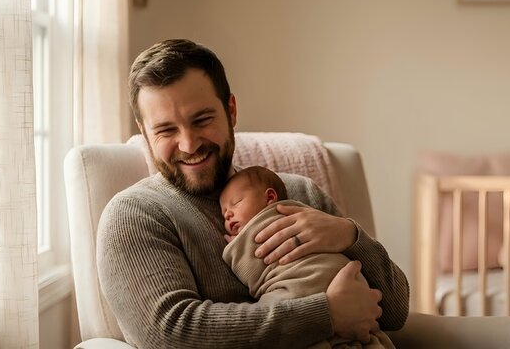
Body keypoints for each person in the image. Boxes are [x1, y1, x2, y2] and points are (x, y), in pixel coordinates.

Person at [97, 39, 409, 349]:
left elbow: (395, 312)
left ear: (231, 111)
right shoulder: (134, 216)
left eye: (202, 120)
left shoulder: (299, 193)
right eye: (166, 130)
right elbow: (169, 335)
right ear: (144, 132)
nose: (189, 144)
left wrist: (349, 235)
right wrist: (325, 314)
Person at [220, 166, 394, 349]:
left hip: (327, 279)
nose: (228, 214)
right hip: (304, 304)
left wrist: (350, 233)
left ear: (269, 198)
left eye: (237, 203)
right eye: (223, 213)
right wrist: (330, 311)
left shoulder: (304, 195)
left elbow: (395, 311)